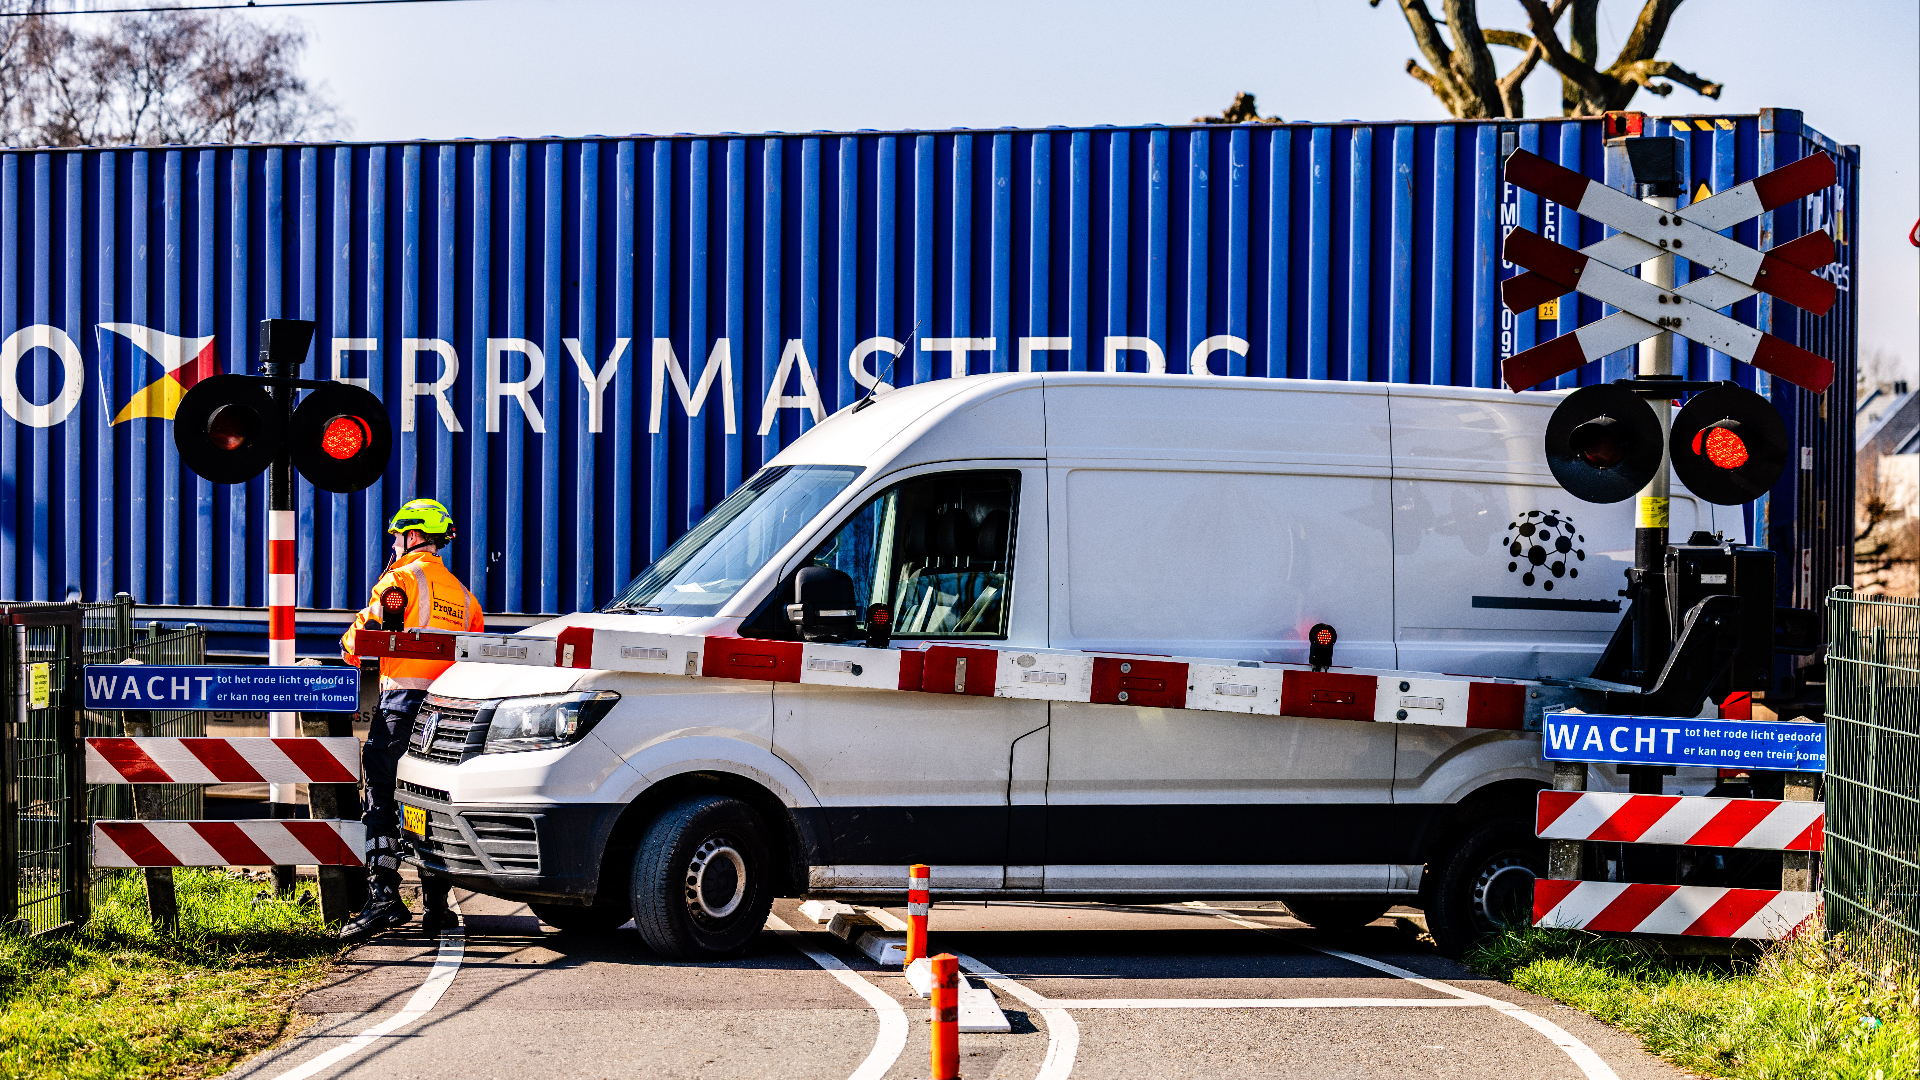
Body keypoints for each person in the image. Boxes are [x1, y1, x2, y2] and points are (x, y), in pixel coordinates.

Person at [338, 498, 485, 943]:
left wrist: (351, 642)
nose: (397, 543)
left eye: (399, 535)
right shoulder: (464, 596)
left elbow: (360, 640)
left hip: (401, 704)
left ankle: (384, 897)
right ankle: (437, 907)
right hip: (448, 711)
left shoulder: (400, 578)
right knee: (429, 798)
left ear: (413, 535)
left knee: (381, 797)